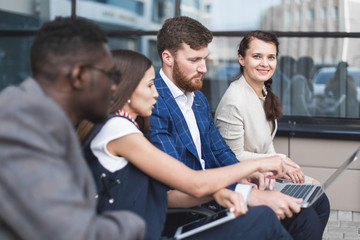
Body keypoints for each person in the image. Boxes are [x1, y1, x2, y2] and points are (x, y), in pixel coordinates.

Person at [78, 49, 293, 240]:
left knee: (260, 219)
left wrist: (215, 193)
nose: (155, 93)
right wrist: (259, 164)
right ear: (123, 89)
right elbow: (194, 183)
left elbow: (166, 196)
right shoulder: (117, 128)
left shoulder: (126, 128)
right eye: (149, 85)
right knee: (261, 219)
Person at [147, 17, 327, 240]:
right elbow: (177, 184)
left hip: (219, 197)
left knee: (306, 210)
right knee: (292, 214)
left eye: (204, 59)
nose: (203, 68)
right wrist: (247, 187)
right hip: (192, 215)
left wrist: (248, 175)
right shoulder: (152, 103)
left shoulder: (199, 100)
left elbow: (221, 152)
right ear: (168, 58)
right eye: (194, 60)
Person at [0, 17, 145, 240]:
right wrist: (135, 223)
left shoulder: (43, 121)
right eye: (111, 75)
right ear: (79, 76)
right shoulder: (19, 126)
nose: (116, 86)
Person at [214, 30, 330, 238]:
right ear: (241, 59)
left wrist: (284, 170)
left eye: (271, 57)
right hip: (246, 183)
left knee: (319, 198)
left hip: (267, 177)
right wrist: (280, 161)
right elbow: (230, 158)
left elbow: (266, 148)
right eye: (257, 56)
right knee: (306, 215)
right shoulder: (234, 101)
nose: (265, 63)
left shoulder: (262, 92)